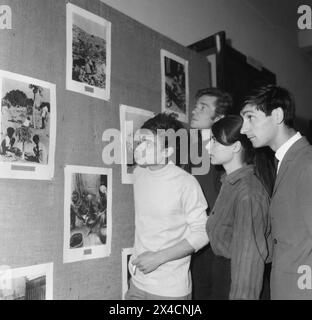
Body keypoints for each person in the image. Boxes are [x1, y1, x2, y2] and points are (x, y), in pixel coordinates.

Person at [125, 113, 209, 300]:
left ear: (167, 151)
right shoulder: (139, 173)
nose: (140, 149)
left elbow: (203, 232)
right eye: (139, 142)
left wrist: (159, 258)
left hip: (170, 291)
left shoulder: (186, 183)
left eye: (149, 144)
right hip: (137, 283)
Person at [240, 85, 312, 299]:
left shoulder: (306, 164)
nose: (244, 129)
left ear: (278, 115)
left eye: (250, 117)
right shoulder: (284, 160)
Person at [206, 115, 271, 299]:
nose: (207, 147)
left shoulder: (247, 192)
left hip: (238, 282)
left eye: (215, 142)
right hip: (223, 276)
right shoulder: (229, 182)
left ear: (235, 147)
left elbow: (249, 259)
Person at [189, 87, 233, 299]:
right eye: (196, 106)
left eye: (203, 107)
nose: (194, 110)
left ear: (220, 117)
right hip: (196, 242)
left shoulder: (228, 151)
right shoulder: (190, 147)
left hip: (222, 243)